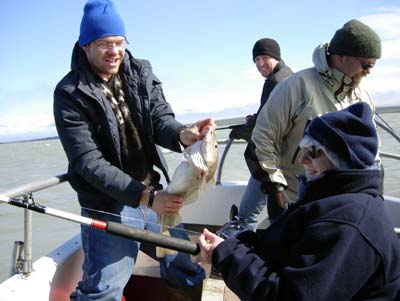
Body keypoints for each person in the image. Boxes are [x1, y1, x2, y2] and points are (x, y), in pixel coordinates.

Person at [53, 0, 208, 300]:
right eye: (104, 44)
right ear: (85, 46)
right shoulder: (69, 93)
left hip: (153, 192)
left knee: (185, 267)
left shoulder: (140, 71)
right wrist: (146, 197)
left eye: (119, 42)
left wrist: (182, 134)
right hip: (109, 204)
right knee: (103, 291)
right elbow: (88, 162)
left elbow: (160, 118)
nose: (114, 51)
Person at [194, 102, 400, 300]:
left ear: (343, 158)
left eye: (313, 151)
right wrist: (244, 244)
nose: (302, 160)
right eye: (303, 149)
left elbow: (286, 294)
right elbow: (294, 251)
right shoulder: (330, 200)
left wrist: (228, 254)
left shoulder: (347, 224)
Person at [245, 19, 382, 227]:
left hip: (343, 206)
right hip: (297, 200)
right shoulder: (295, 87)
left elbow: (373, 155)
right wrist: (276, 190)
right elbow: (262, 138)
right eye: (366, 65)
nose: (369, 71)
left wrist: (375, 194)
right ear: (341, 56)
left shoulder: (363, 98)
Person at [229, 38, 293, 229]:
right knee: (280, 215)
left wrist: (240, 132)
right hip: (285, 161)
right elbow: (270, 114)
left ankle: (239, 256)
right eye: (256, 59)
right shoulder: (288, 76)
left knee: (246, 217)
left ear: (276, 56)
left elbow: (264, 127)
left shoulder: (275, 82)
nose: (260, 64)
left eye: (265, 57)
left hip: (269, 162)